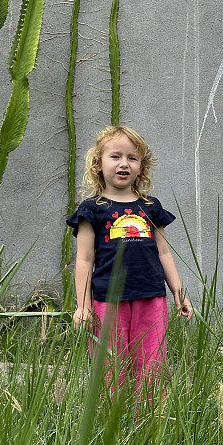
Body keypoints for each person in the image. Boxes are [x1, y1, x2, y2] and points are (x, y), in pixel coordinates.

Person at [66, 125, 192, 396]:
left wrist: (179, 294)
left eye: (132, 158)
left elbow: (164, 253)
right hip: (107, 301)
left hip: (151, 298)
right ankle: (112, 424)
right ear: (98, 163)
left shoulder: (150, 207)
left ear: (141, 167)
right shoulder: (92, 209)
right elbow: (85, 260)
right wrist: (83, 307)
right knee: (111, 367)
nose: (124, 164)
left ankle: (146, 424)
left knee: (152, 367)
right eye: (115, 156)